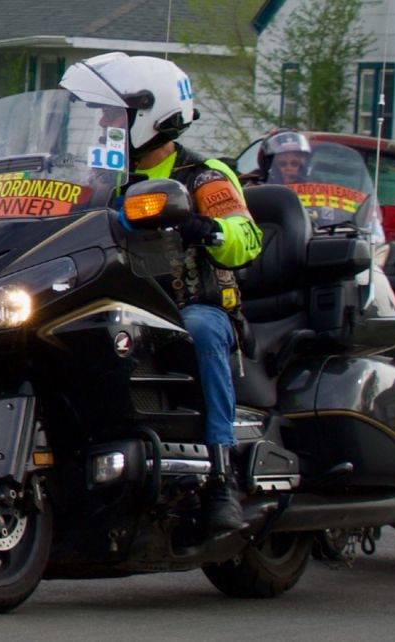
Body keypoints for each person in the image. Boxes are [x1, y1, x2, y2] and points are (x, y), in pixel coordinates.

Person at [61, 52, 264, 534]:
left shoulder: (204, 176)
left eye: (113, 115)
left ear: (149, 115)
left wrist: (208, 229)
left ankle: (221, 477)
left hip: (190, 308)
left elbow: (247, 238)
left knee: (200, 328)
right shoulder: (95, 178)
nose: (103, 125)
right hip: (112, 303)